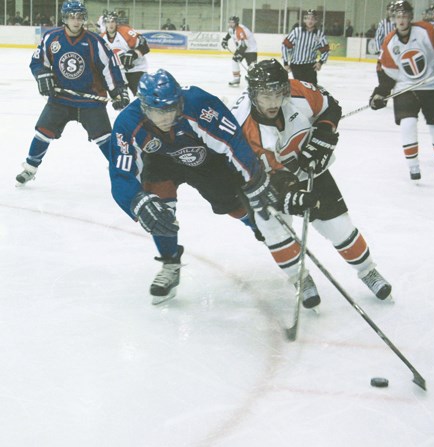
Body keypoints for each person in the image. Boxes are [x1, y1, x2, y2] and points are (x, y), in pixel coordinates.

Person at [108, 69, 279, 305]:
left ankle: (263, 229)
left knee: (233, 204)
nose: (167, 117)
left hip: (207, 159)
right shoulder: (127, 123)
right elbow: (120, 174)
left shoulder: (200, 104)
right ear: (145, 108)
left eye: (171, 108)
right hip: (160, 161)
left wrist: (254, 179)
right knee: (157, 210)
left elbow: (235, 142)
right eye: (159, 111)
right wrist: (136, 203)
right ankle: (170, 263)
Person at [231, 59, 393, 307]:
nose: (274, 102)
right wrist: (288, 195)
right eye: (265, 96)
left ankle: (368, 270)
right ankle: (300, 278)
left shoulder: (299, 92)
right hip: (265, 184)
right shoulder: (242, 126)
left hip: (311, 171)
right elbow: (253, 175)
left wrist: (323, 136)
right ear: (253, 94)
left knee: (340, 228)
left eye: (278, 93)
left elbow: (330, 108)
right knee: (276, 232)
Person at [15, 0, 129, 186]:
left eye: (79, 17)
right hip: (60, 99)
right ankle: (30, 168)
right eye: (71, 17)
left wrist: (118, 91)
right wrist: (42, 75)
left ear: (84, 18)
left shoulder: (95, 42)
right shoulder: (52, 38)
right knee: (43, 132)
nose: (76, 21)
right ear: (65, 18)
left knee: (104, 138)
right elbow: (38, 61)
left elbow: (110, 67)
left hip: (90, 102)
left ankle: (122, 171)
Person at [369, 0, 434, 181]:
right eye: (398, 16)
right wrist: (379, 93)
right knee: (407, 124)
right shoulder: (389, 42)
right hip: (406, 88)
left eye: (404, 16)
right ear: (393, 19)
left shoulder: (425, 30)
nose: (401, 20)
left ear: (410, 17)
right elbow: (386, 74)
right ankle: (413, 167)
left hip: (433, 86)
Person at [101, 10, 150, 95]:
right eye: (108, 22)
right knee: (121, 101)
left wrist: (134, 53)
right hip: (119, 72)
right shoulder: (102, 38)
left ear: (117, 22)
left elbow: (144, 44)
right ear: (105, 23)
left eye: (113, 21)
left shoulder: (126, 31)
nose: (111, 24)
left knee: (144, 98)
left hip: (136, 70)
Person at [281, 9, 330, 85]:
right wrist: (285, 63)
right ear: (304, 20)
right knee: (301, 88)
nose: (310, 21)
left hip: (310, 66)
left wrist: (320, 62)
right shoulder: (297, 31)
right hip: (296, 66)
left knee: (312, 88)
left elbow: (326, 50)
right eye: (308, 18)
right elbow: (285, 46)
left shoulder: (319, 34)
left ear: (316, 21)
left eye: (312, 19)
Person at [221, 16, 258, 87]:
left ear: (236, 23)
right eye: (230, 22)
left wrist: (239, 54)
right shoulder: (232, 29)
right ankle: (236, 79)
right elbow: (230, 34)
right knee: (234, 60)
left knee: (252, 66)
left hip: (251, 50)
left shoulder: (240, 30)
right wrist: (225, 40)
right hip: (241, 47)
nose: (230, 24)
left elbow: (245, 44)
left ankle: (255, 80)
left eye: (232, 22)